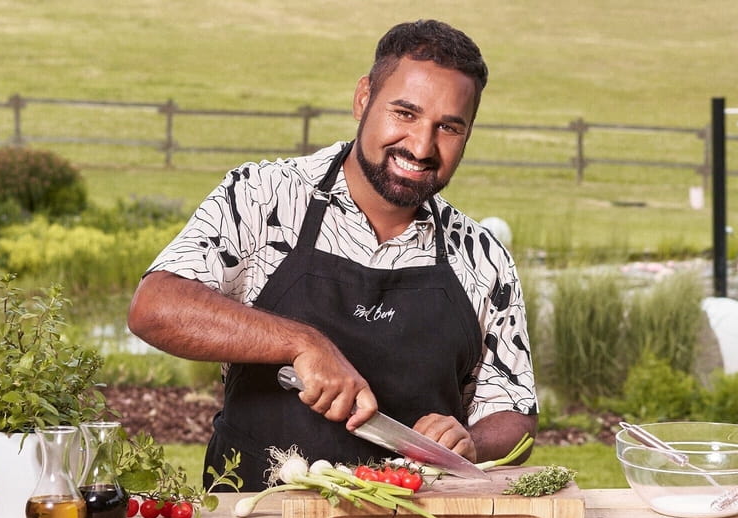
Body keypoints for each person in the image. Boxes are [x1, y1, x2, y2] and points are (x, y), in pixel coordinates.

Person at [127, 19, 538, 491]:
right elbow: (155, 306)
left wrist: (471, 441)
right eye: (404, 113)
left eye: (448, 127)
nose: (422, 147)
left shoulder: (483, 257)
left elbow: (514, 411)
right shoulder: (265, 196)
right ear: (364, 98)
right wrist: (303, 344)